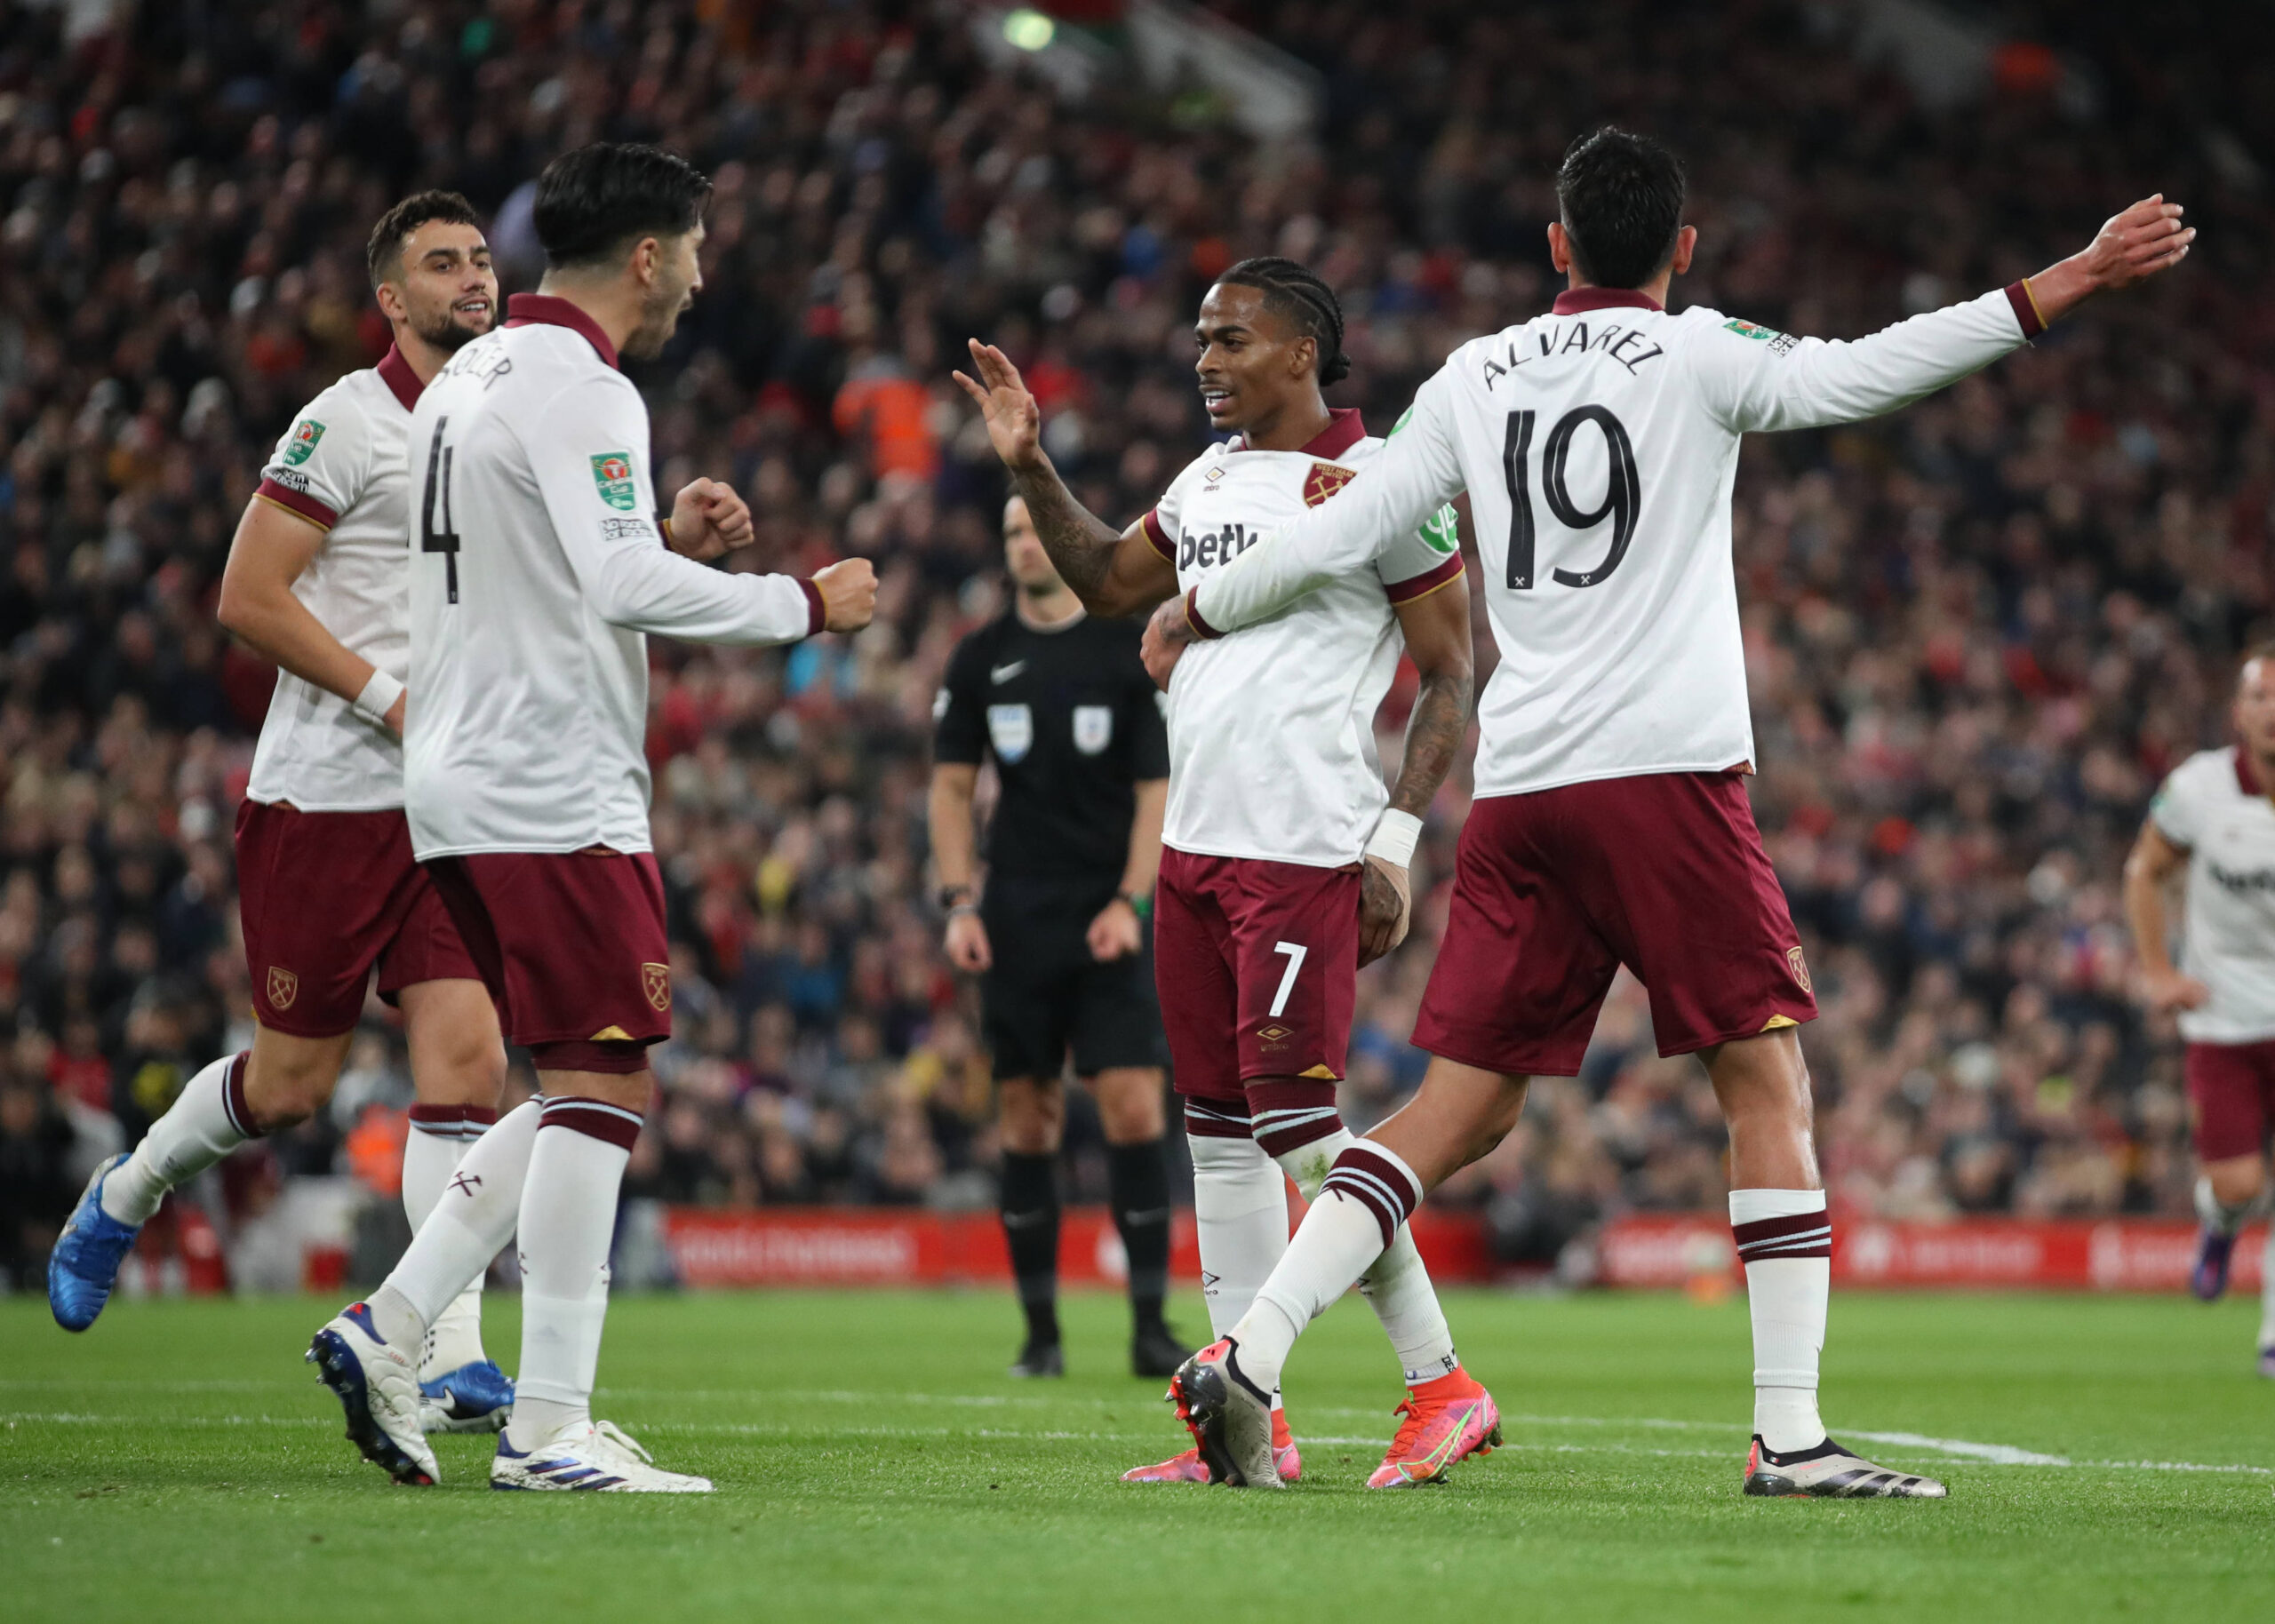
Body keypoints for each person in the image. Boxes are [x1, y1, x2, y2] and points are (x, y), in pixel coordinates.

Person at [1144, 129, 2193, 1497]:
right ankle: (1793, 1438)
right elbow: (1867, 371)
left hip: (1523, 792)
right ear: (1682, 250)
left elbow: (1344, 528)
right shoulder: (1701, 352)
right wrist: (2071, 278)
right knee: (1764, 1082)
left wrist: (1199, 601)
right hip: (1667, 778)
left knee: (1453, 1114)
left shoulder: (1472, 376)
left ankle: (1256, 1353)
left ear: (1557, 246)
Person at [305, 143, 878, 1493]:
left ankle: (391, 1327)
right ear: (645, 254)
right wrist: (802, 604)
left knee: (578, 1081)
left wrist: (665, 540)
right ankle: (548, 1425)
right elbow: (621, 589)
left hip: (456, 773)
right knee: (608, 1085)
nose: (700, 270)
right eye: (693, 244)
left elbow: (552, 571)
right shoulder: (583, 385)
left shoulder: (471, 378)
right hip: (546, 782)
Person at [955, 257, 1493, 1489]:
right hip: (1195, 852)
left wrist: (1397, 839)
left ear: (1304, 351)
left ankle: (1443, 1384)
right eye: (1202, 339)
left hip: (1304, 843)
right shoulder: (1204, 479)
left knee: (1302, 1132)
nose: (1205, 360)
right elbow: (1102, 583)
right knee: (1221, 1140)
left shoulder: (1381, 485)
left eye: (1233, 339)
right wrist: (1028, 461)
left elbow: (1450, 672)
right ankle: (1254, 1426)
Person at [48, 192, 524, 1432]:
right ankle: (131, 1185)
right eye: (441, 264)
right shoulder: (345, 422)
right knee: (294, 1084)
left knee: (467, 1064)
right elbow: (248, 595)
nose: (472, 279)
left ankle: (449, 1344)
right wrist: (391, 701)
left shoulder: (506, 425)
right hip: (327, 800)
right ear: (392, 299)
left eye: (480, 259)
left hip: (451, 806)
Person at [930, 495, 1181, 1380]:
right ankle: (1040, 1336)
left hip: (1107, 911)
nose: (1022, 543)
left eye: (1035, 525)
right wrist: (960, 902)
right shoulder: (980, 656)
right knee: (1026, 1117)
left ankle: (1151, 1328)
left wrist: (1131, 900)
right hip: (1018, 918)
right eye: (1009, 532)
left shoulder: (1124, 644)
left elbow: (1156, 788)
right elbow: (951, 788)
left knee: (1134, 1104)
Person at [2125, 649, 2275, 1377]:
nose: (2273, 711)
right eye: (2261, 696)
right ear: (2239, 712)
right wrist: (2157, 971)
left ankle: (2272, 1338)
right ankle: (2219, 1222)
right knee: (2242, 1184)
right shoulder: (2198, 788)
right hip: (2223, 1017)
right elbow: (2143, 871)